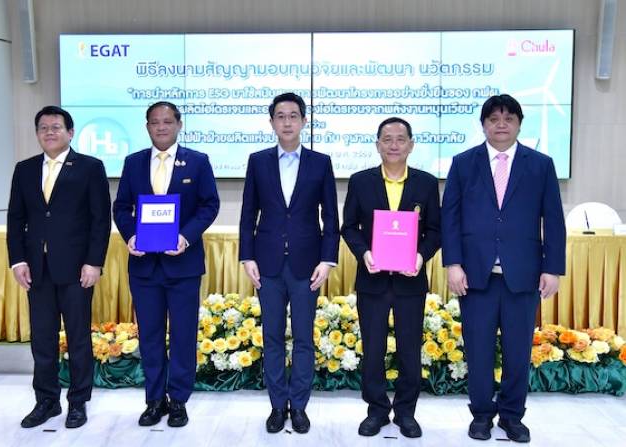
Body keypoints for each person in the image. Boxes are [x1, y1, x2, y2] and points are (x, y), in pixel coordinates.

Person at [441, 94, 566, 443]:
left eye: (508, 118)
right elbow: (450, 217)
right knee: (478, 351)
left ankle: (512, 416)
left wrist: (553, 268)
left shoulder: (540, 164)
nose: (501, 125)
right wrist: (453, 263)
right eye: (494, 119)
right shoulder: (464, 163)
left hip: (523, 275)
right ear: (483, 125)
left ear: (519, 124)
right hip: (475, 275)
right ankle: (481, 415)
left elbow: (553, 219)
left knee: (517, 352)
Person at [113, 101, 219, 427]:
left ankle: (179, 401)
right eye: (155, 122)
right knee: (150, 336)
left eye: (168, 121)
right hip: (144, 267)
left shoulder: (198, 162)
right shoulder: (133, 163)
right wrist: (131, 235)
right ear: (147, 126)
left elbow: (209, 205)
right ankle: (154, 400)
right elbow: (121, 207)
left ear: (179, 125)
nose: (161, 127)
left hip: (183, 266)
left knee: (184, 336)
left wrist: (185, 237)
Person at [239, 92, 339, 434]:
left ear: (304, 121)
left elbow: (331, 217)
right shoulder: (258, 161)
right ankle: (277, 406)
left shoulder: (320, 162)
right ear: (271, 122)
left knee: (303, 338)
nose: (287, 122)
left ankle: (299, 406)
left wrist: (327, 259)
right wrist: (247, 256)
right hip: (267, 264)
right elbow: (248, 213)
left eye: (293, 116)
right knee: (272, 337)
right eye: (280, 116)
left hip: (307, 265)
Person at [7, 106, 111, 429]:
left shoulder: (90, 167)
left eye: (56, 127)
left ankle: (78, 402)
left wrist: (94, 262)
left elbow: (100, 219)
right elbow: (16, 219)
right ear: (37, 133)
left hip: (77, 269)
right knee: (42, 339)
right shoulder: (24, 169)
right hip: (37, 270)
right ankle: (46, 401)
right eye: (43, 128)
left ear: (70, 132)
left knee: (78, 339)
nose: (49, 132)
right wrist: (18, 260)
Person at [341, 117, 440, 438]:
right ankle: (377, 410)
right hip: (373, 279)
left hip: (411, 281)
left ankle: (406, 412)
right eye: (387, 139)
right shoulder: (361, 181)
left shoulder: (426, 183)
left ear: (411, 145)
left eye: (400, 139)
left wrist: (420, 256)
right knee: (373, 349)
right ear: (377, 145)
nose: (394, 145)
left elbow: (435, 230)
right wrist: (364, 253)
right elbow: (349, 227)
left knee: (410, 349)